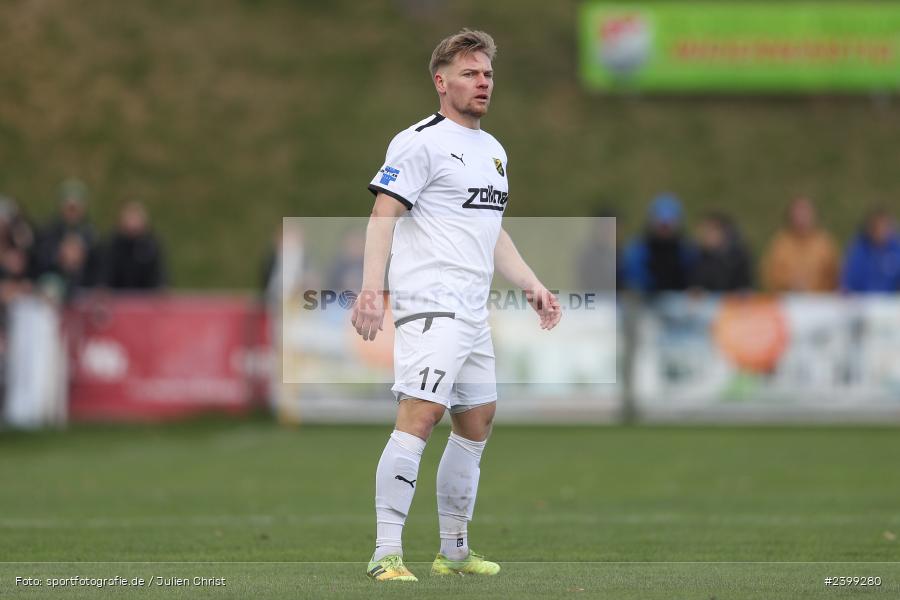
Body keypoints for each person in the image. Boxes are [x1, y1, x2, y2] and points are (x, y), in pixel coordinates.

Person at [352, 29, 561, 582]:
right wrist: (372, 290)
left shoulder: (494, 151)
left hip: (472, 308)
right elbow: (383, 216)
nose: (483, 82)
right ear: (441, 82)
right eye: (470, 73)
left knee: (477, 420)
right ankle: (385, 552)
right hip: (430, 302)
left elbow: (489, 231)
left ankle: (454, 552)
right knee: (421, 415)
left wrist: (532, 284)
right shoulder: (418, 141)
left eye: (488, 73)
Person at [760, 196, 840, 293]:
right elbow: (770, 274)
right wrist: (789, 283)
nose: (802, 218)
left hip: (819, 301)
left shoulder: (824, 243)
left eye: (805, 214)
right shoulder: (780, 244)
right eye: (798, 214)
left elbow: (835, 274)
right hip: (787, 300)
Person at [622, 193, 697, 295]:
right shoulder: (637, 251)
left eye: (668, 225)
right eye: (661, 225)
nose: (664, 230)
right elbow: (633, 281)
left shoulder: (687, 251)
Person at [101, 201, 166, 290]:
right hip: (118, 297)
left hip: (145, 298)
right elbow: (106, 274)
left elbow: (159, 275)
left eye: (135, 219)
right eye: (130, 219)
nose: (132, 223)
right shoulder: (113, 244)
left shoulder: (151, 245)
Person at [688, 212, 753, 292]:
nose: (706, 235)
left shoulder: (737, 257)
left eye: (711, 231)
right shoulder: (697, 256)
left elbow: (744, 285)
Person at [841, 208, 900, 293]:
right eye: (878, 227)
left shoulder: (896, 250)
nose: (881, 231)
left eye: (885, 227)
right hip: (863, 301)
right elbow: (849, 279)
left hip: (891, 303)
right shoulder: (859, 251)